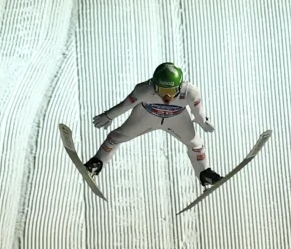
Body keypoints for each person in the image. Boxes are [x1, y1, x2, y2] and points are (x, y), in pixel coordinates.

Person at [84, 62, 223, 187]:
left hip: (174, 118)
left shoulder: (190, 92)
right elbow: (125, 105)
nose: (167, 96)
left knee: (196, 144)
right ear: (153, 85)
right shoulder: (144, 89)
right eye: (162, 91)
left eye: (171, 91)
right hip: (147, 116)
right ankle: (96, 163)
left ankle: (204, 173)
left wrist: (202, 120)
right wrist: (108, 115)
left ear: (180, 86)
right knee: (116, 137)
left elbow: (197, 110)